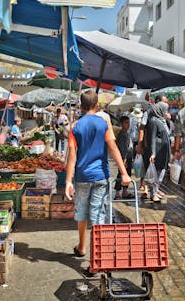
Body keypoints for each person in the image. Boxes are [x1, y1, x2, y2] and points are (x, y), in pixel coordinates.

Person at [65, 91, 131, 258]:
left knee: (82, 212)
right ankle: (98, 256)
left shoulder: (75, 126)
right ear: (97, 106)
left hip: (82, 177)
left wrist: (67, 182)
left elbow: (72, 156)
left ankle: (82, 247)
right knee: (97, 214)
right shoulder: (103, 124)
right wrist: (124, 173)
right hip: (101, 175)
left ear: (80, 107)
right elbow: (113, 148)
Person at [142, 102, 171, 203]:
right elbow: (152, 138)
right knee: (156, 173)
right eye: (165, 110)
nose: (166, 112)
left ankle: (155, 191)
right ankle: (153, 194)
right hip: (158, 151)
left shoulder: (161, 120)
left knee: (160, 172)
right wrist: (153, 153)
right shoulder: (154, 121)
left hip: (163, 151)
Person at [115, 115, 133, 200]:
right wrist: (123, 160)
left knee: (127, 174)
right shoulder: (122, 134)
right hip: (123, 158)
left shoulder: (127, 133)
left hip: (128, 157)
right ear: (121, 124)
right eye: (126, 123)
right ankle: (117, 193)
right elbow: (123, 149)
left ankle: (125, 191)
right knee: (121, 174)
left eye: (128, 123)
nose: (128, 125)